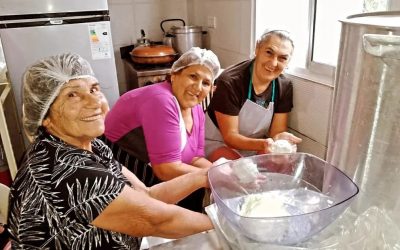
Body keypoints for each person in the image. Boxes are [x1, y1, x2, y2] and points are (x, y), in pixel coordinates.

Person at [7, 53, 212, 249]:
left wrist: (204, 176)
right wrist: (224, 225)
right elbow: (155, 221)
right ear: (45, 115)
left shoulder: (90, 143)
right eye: (73, 95)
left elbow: (146, 194)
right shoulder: (65, 170)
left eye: (94, 89)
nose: (96, 102)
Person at [103, 47, 220, 212]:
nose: (198, 87)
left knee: (198, 191)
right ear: (174, 75)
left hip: (162, 168)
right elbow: (165, 170)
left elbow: (195, 158)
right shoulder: (161, 100)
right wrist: (215, 177)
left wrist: (222, 171)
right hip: (128, 168)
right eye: (193, 76)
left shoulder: (197, 111)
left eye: (206, 83)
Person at [205, 30, 302, 162]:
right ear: (257, 48)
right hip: (218, 143)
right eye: (269, 53)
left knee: (282, 165)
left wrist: (282, 144)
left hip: (255, 146)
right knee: (243, 176)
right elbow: (230, 137)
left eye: (282, 58)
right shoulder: (230, 82)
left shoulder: (284, 86)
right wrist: (265, 144)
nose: (273, 63)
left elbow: (276, 134)